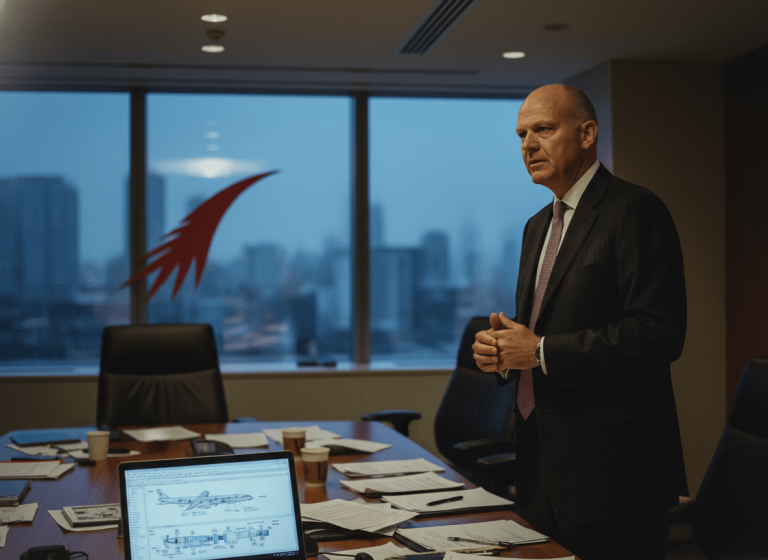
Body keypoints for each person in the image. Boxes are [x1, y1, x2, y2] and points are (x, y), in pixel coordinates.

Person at [472, 84, 687, 560]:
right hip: (539, 465)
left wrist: (541, 352)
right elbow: (535, 334)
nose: (528, 145)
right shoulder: (535, 226)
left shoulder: (634, 209)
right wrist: (504, 354)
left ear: (587, 133)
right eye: (521, 134)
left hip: (614, 476)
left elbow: (658, 333)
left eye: (543, 130)